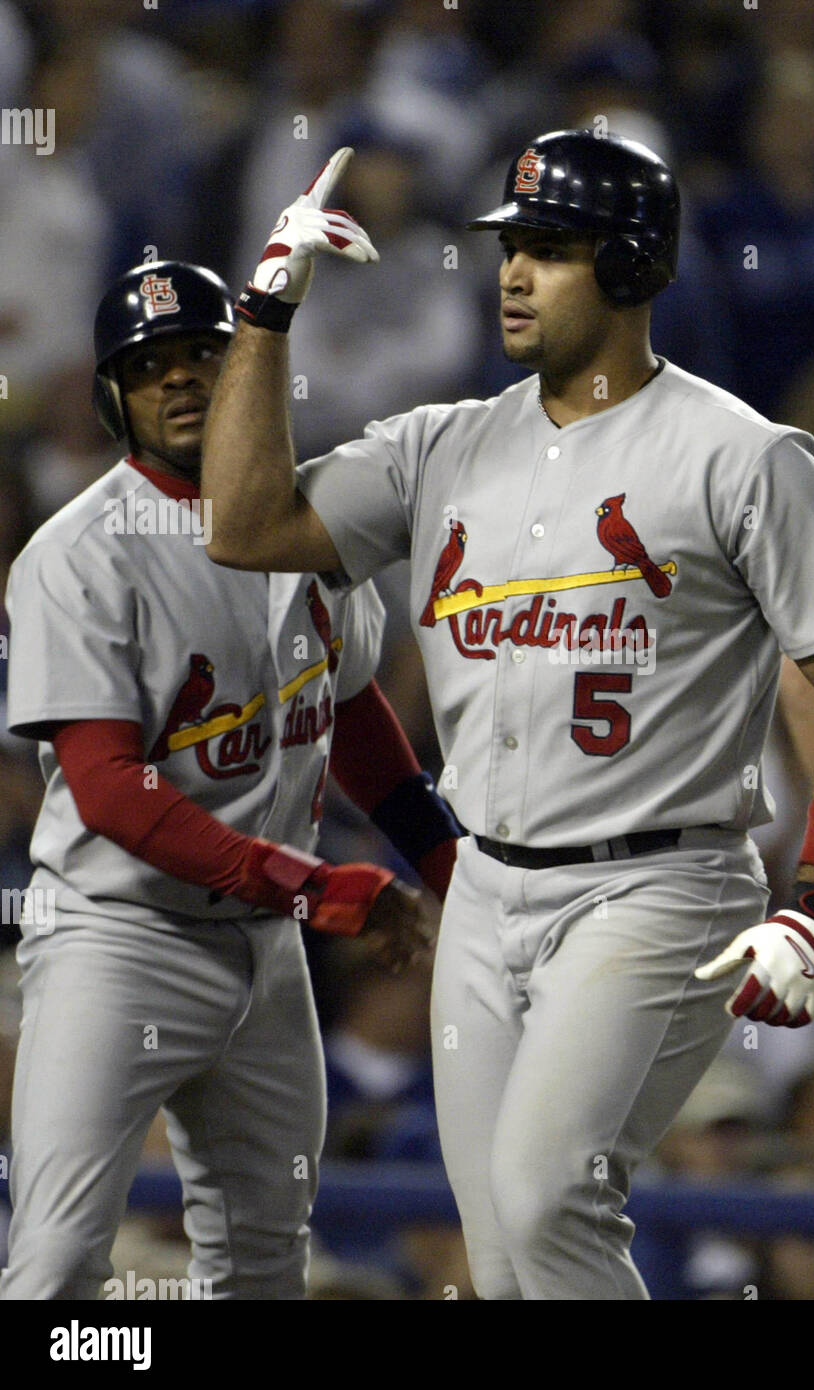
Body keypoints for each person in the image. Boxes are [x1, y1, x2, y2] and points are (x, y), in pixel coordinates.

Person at [201, 132, 814, 1300]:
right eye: (509, 248)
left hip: (658, 884)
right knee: (503, 1257)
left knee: (546, 1201)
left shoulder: (743, 455)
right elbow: (243, 524)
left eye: (550, 249)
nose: (513, 274)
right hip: (480, 888)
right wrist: (263, 319)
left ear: (630, 268)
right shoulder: (443, 442)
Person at [0, 260, 458, 1300]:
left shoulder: (306, 523)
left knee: (263, 1261)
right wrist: (313, 887)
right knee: (59, 1264)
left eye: (204, 354)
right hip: (119, 941)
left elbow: (351, 716)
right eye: (150, 365)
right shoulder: (76, 555)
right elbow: (112, 790)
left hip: (262, 946)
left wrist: (448, 862)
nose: (180, 380)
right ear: (116, 396)